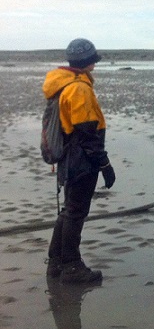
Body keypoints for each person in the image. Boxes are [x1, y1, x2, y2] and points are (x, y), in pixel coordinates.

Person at [44, 38, 116, 283]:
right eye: (94, 59)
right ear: (88, 62)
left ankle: (56, 262)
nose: (95, 63)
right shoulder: (79, 88)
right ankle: (72, 267)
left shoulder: (65, 84)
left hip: (69, 155)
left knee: (69, 211)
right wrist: (104, 164)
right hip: (80, 157)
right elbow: (87, 132)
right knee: (75, 212)